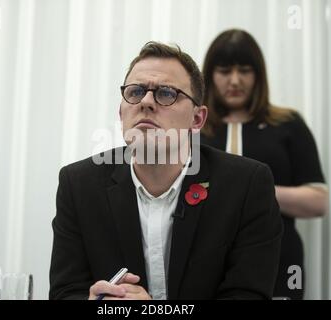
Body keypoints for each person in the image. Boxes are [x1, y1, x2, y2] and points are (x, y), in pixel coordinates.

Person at [49, 41, 283, 300]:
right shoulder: (78, 185)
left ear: (197, 119)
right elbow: (65, 292)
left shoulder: (246, 185)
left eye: (166, 93)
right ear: (121, 111)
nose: (146, 102)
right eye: (136, 92)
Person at [201, 29, 328, 300]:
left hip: (279, 262)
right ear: (210, 75)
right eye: (224, 71)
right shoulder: (194, 130)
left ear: (258, 75)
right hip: (206, 263)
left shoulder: (287, 124)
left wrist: (252, 191)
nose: (235, 80)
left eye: (245, 70)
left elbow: (318, 201)